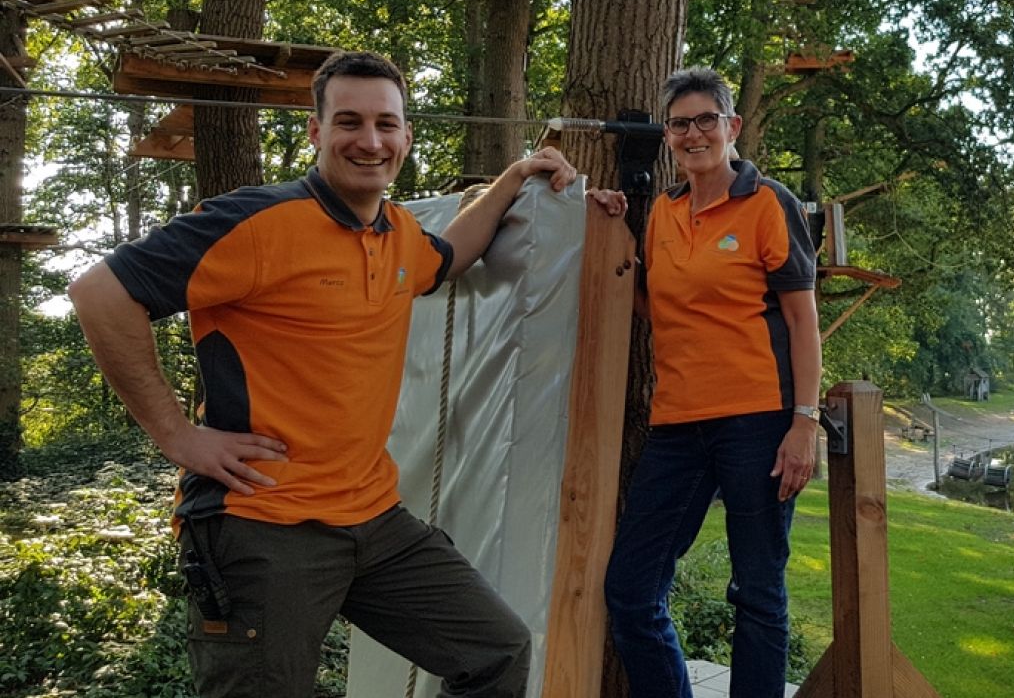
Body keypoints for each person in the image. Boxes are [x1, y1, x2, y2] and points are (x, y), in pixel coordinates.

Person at [67, 51, 621, 698]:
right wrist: (176, 434)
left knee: (495, 650)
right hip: (263, 523)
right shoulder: (256, 223)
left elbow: (449, 256)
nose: (370, 140)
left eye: (387, 124)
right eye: (349, 122)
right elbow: (99, 291)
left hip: (374, 520)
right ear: (315, 131)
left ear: (406, 137)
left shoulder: (397, 236)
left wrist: (518, 175)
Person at [604, 67, 822, 698]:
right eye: (679, 123)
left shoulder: (767, 203)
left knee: (757, 591)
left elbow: (802, 319)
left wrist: (802, 423)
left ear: (732, 126)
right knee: (630, 588)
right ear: (668, 135)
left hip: (759, 420)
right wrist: (610, 230)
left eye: (705, 120)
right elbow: (656, 306)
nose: (693, 133)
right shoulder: (664, 212)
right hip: (676, 424)